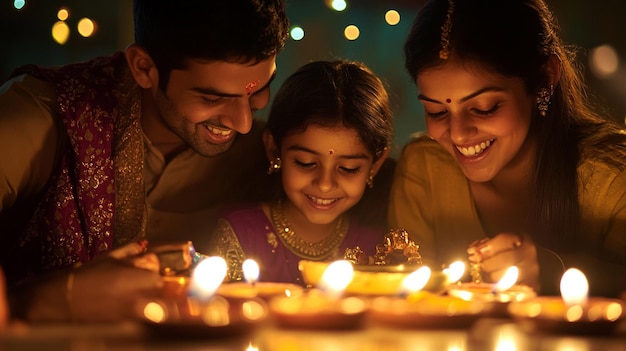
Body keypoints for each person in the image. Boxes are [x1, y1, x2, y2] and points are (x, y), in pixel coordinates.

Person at [0, 0, 289, 322]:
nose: (243, 122)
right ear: (144, 68)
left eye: (260, 90)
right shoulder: (47, 113)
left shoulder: (266, 151)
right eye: (212, 98)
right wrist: (47, 298)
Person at [389, 0, 626, 296]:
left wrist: (554, 271)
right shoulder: (425, 168)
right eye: (437, 112)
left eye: (484, 108)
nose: (459, 135)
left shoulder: (613, 177)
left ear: (546, 78)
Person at [209, 60, 394, 285]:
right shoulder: (242, 233)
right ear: (274, 149)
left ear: (375, 164)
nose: (325, 184)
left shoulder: (378, 244)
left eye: (348, 168)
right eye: (306, 163)